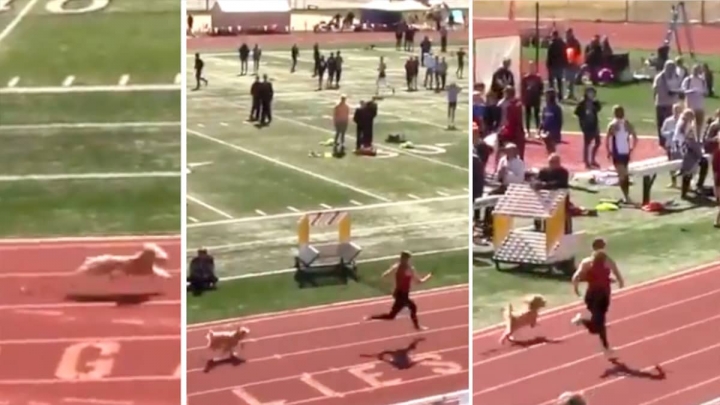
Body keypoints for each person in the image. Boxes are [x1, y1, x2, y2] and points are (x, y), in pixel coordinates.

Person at [571, 238, 625, 359]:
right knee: (597, 326)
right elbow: (616, 272)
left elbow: (575, 277)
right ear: (604, 247)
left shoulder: (586, 262)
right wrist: (620, 283)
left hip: (590, 296)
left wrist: (576, 289)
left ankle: (606, 349)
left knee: (600, 323)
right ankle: (582, 320)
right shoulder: (607, 260)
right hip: (602, 296)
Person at [365, 251, 432, 331]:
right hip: (402, 294)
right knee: (411, 307)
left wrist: (393, 283)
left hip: (398, 293)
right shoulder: (409, 269)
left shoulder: (397, 266)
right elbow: (419, 282)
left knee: (393, 315)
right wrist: (428, 276)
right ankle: (416, 327)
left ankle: (372, 317)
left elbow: (385, 275)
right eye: (407, 259)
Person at [605, 105, 638, 204]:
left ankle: (626, 197)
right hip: (622, 152)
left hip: (620, 152)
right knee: (623, 175)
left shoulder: (615, 124)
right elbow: (635, 137)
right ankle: (626, 197)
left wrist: (608, 151)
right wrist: (632, 148)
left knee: (624, 175)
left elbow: (607, 139)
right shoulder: (624, 124)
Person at [574, 87, 602, 168]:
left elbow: (598, 108)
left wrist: (595, 103)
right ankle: (586, 161)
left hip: (594, 124)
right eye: (590, 92)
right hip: (587, 126)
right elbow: (577, 113)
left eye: (593, 93)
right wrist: (582, 123)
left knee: (598, 142)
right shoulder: (582, 103)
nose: (591, 94)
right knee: (587, 144)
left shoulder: (594, 103)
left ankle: (593, 159)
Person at [521, 61, 543, 137]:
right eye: (530, 67)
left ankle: (538, 131)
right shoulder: (525, 78)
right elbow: (522, 89)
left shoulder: (538, 78)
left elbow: (541, 88)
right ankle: (527, 131)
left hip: (536, 99)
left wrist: (539, 96)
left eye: (533, 67)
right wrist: (523, 99)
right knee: (528, 115)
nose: (532, 68)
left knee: (537, 115)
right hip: (528, 99)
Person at [539, 89, 563, 155]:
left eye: (547, 96)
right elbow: (542, 119)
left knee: (552, 147)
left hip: (553, 131)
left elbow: (559, 121)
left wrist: (556, 132)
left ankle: (553, 159)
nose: (545, 98)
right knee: (548, 147)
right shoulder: (545, 107)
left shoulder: (556, 108)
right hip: (545, 130)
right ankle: (550, 158)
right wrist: (540, 129)